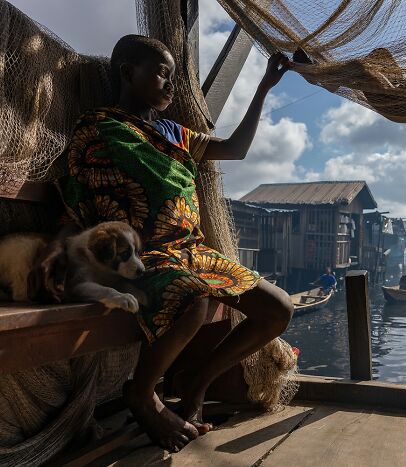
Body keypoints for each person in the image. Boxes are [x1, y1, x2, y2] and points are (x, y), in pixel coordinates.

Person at [31, 35, 293, 452]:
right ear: (127, 73)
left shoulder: (173, 132)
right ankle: (143, 393)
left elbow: (236, 149)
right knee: (192, 299)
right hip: (136, 254)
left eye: (172, 76)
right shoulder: (99, 128)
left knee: (278, 309)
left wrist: (263, 88)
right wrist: (57, 244)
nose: (170, 85)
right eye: (161, 73)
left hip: (191, 250)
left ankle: (197, 383)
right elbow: (82, 198)